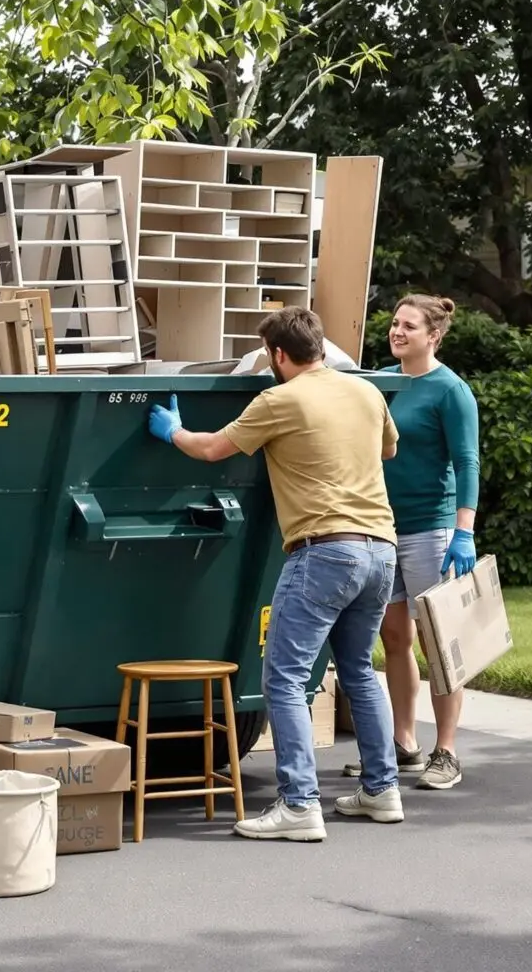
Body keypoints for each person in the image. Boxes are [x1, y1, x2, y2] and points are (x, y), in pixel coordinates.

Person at [147, 306, 403, 841]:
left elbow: (213, 449)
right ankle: (382, 791)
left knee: (284, 678)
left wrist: (173, 432)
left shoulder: (278, 400)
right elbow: (388, 447)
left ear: (278, 355)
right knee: (357, 669)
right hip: (381, 549)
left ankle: (299, 805)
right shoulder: (366, 392)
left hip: (324, 551)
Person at [346, 294, 480, 790]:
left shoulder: (451, 391)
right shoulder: (382, 383)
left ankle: (446, 752)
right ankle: (404, 743)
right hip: (382, 526)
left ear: (434, 335)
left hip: (432, 529)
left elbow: (468, 463)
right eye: (394, 324)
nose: (397, 332)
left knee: (438, 642)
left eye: (409, 326)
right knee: (394, 637)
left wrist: (463, 530)